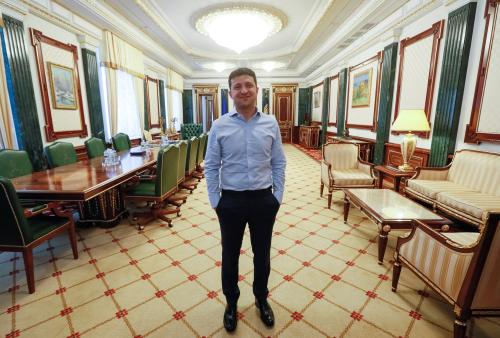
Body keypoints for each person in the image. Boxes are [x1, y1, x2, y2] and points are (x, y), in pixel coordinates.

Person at [204, 68, 286, 332]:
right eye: (237, 86)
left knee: (262, 255)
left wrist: (277, 197)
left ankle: (261, 299)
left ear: (256, 88)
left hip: (264, 200)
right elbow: (211, 165)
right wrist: (215, 200)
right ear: (231, 92)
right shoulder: (219, 125)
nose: (244, 90)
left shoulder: (270, 123)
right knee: (230, 255)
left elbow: (279, 162)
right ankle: (231, 303)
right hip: (231, 201)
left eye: (248, 85)